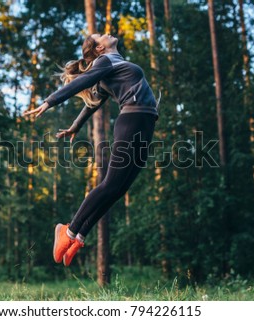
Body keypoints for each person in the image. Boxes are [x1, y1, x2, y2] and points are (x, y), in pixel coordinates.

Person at [22, 33, 159, 267]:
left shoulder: (113, 66)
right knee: (109, 184)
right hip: (133, 120)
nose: (107, 33)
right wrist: (50, 101)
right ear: (98, 48)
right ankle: (67, 230)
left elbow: (93, 102)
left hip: (145, 122)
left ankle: (79, 236)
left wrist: (75, 126)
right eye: (100, 36)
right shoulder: (104, 62)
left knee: (119, 188)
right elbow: (81, 83)